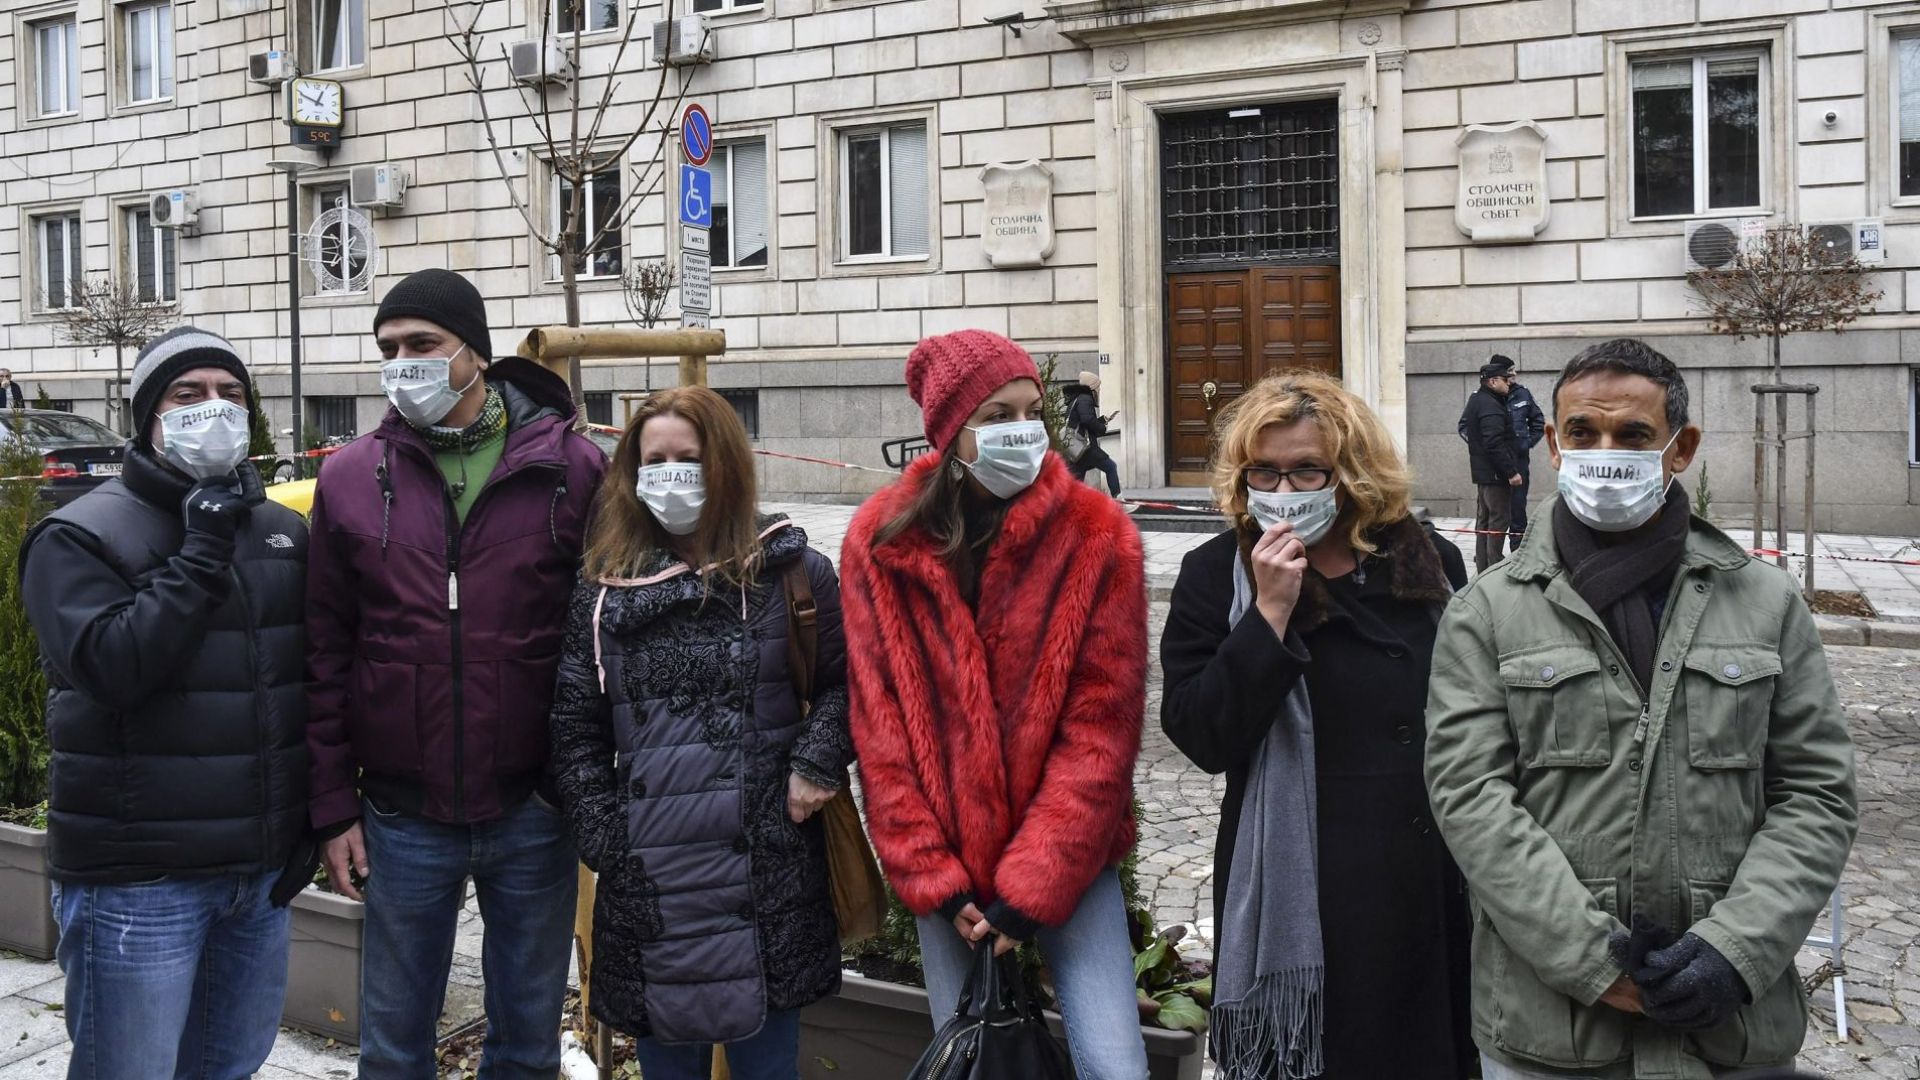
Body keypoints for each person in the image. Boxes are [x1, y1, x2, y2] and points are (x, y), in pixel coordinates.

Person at [1425, 338, 1858, 1080]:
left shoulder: (1764, 601)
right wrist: (1596, 963)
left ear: (1679, 447)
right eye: (1584, 434)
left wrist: (1736, 950)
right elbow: (1471, 799)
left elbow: (1815, 791)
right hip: (1554, 1031)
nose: (1605, 452)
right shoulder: (1486, 611)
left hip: (1732, 1028)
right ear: (1554, 445)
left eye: (1632, 435)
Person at [304, 269, 606, 1077]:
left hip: (533, 810)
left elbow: (603, 637)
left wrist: (577, 783)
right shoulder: (349, 478)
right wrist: (334, 806)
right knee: (395, 1047)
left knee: (527, 1043)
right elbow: (325, 650)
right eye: (388, 349)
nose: (403, 363)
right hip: (402, 815)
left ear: (473, 351)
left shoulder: (574, 468)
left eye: (422, 345)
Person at [841, 330, 1149, 1079]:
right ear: (951, 435)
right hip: (950, 877)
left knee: (1117, 1066)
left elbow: (1100, 737)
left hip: (1068, 861)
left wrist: (1031, 889)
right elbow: (882, 737)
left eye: (1030, 411)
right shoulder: (881, 543)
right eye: (997, 414)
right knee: (969, 1065)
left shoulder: (1097, 537)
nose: (1023, 430)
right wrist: (937, 883)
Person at [1161, 369, 1473, 1080]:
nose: (1285, 492)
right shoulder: (1218, 573)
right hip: (1304, 875)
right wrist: (1270, 613)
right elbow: (1200, 732)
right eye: (1264, 472)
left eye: (1308, 470)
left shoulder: (1424, 563)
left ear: (1353, 474)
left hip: (1422, 871)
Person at [21, 326, 313, 1080]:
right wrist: (199, 554)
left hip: (256, 878)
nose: (213, 409)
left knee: (228, 1066)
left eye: (231, 394)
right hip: (140, 885)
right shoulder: (79, 535)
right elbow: (115, 669)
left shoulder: (281, 531)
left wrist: (308, 821)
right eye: (188, 395)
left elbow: (297, 682)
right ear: (148, 416)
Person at [547, 386, 853, 1077]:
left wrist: (818, 762)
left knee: (769, 1066)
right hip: (656, 886)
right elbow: (574, 727)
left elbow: (847, 686)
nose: (670, 474)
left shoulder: (795, 574)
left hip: (769, 875)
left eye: (688, 457)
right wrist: (608, 838)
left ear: (726, 466)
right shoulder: (602, 591)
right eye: (653, 459)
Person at [1457, 355, 1544, 552]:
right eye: (1509, 371)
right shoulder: (1484, 398)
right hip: (1494, 466)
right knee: (1493, 516)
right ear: (1496, 377)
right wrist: (1485, 452)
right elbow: (1467, 427)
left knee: (1517, 510)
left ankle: (1516, 554)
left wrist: (1526, 444)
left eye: (1513, 371)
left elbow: (1538, 421)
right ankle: (1491, 560)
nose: (1514, 374)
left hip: (1518, 461)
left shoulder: (1523, 394)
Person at [1460, 362, 1525, 573]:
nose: (1510, 383)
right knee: (1498, 523)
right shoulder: (1491, 405)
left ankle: (1483, 569)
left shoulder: (1477, 399)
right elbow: (1494, 443)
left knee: (1484, 523)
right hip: (1495, 476)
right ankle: (1493, 569)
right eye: (1506, 380)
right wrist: (1511, 472)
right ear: (1493, 381)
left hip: (1484, 474)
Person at [1065, 369, 1121, 497]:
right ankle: (1118, 501)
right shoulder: (1085, 398)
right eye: (1098, 387)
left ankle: (1069, 508)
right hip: (1086, 448)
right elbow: (1086, 420)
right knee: (1110, 467)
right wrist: (1102, 428)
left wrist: (1103, 420)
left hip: (1077, 449)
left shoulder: (1077, 399)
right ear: (1093, 388)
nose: (1099, 390)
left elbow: (1084, 420)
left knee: (1076, 481)